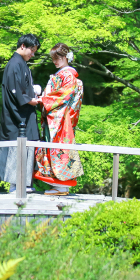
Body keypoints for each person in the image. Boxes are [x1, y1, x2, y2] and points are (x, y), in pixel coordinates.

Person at [35, 42, 84, 196]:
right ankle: (58, 184)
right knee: (54, 150)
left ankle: (62, 185)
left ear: (66, 57)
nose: (55, 61)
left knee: (58, 150)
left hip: (60, 119)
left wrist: (43, 100)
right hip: (57, 118)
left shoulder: (68, 75)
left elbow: (64, 96)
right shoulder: (63, 74)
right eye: (54, 58)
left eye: (58, 58)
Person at [0, 33, 41, 193]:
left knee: (28, 145)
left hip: (25, 112)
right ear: (23, 46)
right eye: (32, 50)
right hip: (17, 114)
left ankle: (24, 183)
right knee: (17, 146)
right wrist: (30, 100)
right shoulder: (14, 64)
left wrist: (33, 94)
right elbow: (14, 90)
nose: (33, 54)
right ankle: (15, 185)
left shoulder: (21, 63)